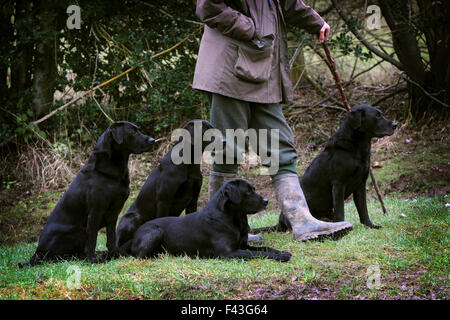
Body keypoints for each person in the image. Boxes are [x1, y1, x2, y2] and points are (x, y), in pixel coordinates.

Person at [193, 0, 353, 241]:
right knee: (228, 148)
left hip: (265, 71)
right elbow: (208, 6)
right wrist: (251, 29)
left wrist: (315, 22)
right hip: (229, 70)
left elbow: (286, 2)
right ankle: (219, 230)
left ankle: (302, 221)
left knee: (280, 145)